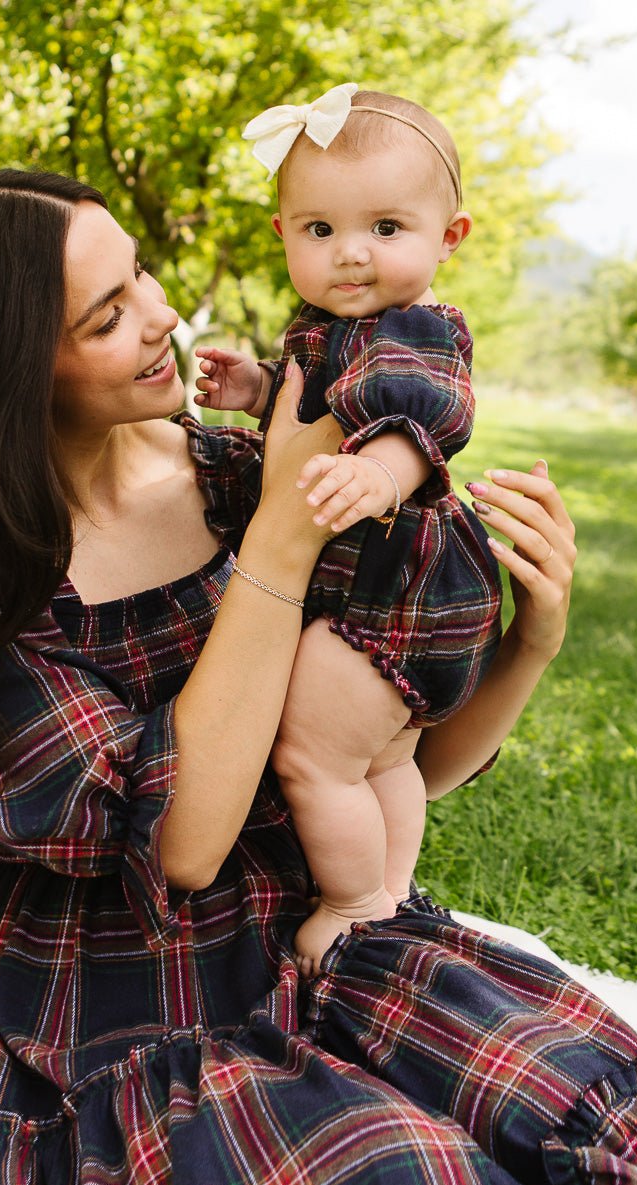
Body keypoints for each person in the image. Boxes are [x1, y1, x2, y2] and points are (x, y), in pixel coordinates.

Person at [0, 168, 637, 1185]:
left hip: (338, 920)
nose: (159, 319)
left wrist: (529, 646)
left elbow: (388, 760)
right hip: (134, 989)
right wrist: (283, 537)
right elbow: (185, 846)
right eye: (108, 317)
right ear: (1, 370)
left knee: (617, 1138)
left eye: (140, 274)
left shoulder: (235, 473)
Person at [195, 84, 502, 975]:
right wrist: (255, 392)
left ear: (450, 238)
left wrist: (381, 472)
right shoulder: (330, 331)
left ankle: (356, 902)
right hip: (420, 600)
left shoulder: (417, 331)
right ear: (285, 233)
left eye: (386, 228)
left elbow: (424, 416)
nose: (352, 255)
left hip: (393, 596)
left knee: (313, 754)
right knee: (386, 761)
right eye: (319, 230)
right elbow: (312, 393)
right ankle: (395, 893)